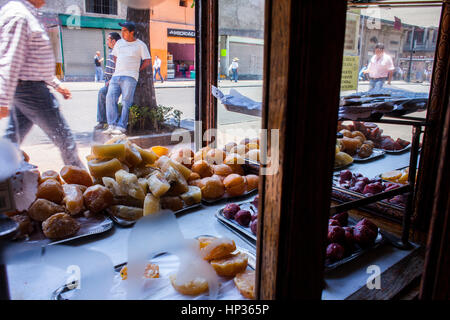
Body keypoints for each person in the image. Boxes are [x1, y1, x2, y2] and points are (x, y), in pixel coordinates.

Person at [0, 0, 84, 168]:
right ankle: (83, 182)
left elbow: (32, 61)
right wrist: (2, 99)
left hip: (26, 88)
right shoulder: (20, 16)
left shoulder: (25, 13)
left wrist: (56, 84)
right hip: (31, 90)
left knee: (13, 138)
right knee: (65, 138)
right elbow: (11, 59)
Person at [105, 21, 151, 135]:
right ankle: (112, 124)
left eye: (125, 30)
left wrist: (137, 69)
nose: (122, 32)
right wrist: (119, 68)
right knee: (110, 98)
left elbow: (147, 60)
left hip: (130, 77)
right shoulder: (119, 43)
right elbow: (115, 56)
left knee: (126, 102)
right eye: (122, 30)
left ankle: (121, 127)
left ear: (132, 32)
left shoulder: (140, 45)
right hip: (116, 76)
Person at [94, 32, 121, 131]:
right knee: (104, 96)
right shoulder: (112, 50)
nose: (107, 42)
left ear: (113, 41)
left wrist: (111, 80)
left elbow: (120, 67)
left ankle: (107, 122)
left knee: (104, 94)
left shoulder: (118, 51)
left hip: (113, 80)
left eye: (108, 40)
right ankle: (104, 121)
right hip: (108, 79)